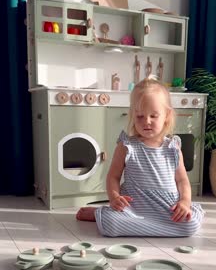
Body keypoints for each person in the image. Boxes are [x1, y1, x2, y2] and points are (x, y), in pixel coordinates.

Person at [76, 78, 204, 237]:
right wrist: (114, 198)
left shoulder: (173, 147)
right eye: (140, 116)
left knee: (190, 226)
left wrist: (185, 202)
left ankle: (135, 223)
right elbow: (113, 177)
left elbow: (182, 180)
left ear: (167, 115)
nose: (147, 122)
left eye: (154, 116)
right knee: (111, 224)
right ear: (132, 116)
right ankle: (101, 214)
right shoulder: (127, 146)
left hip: (166, 208)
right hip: (135, 208)